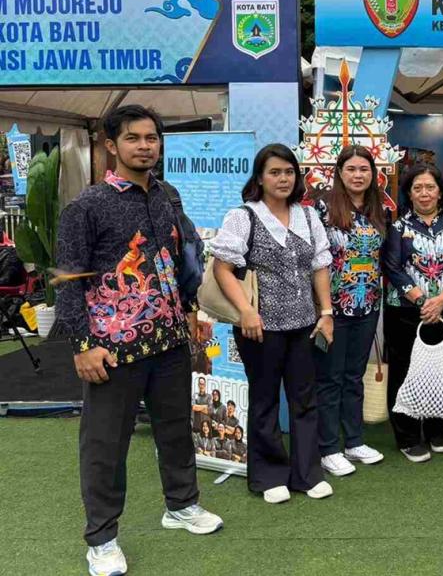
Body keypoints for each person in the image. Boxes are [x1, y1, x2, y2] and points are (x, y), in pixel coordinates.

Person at [54, 104, 223, 576]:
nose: (145, 146)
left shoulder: (168, 195)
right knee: (105, 446)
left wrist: (190, 311)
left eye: (151, 138)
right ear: (112, 145)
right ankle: (102, 538)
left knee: (177, 429)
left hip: (169, 341)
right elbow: (67, 280)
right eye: (133, 138)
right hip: (112, 349)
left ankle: (182, 505)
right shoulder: (86, 206)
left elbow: (184, 257)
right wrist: (82, 345)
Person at [210, 143, 334, 504]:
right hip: (259, 327)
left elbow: (320, 266)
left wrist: (326, 313)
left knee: (304, 399)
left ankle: (307, 474)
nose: (283, 179)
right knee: (264, 399)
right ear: (260, 178)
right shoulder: (243, 217)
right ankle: (268, 476)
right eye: (274, 172)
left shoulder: (308, 216)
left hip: (304, 324)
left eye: (289, 172)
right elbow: (222, 268)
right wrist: (245, 311)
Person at [383, 163, 443, 462]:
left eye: (430, 187)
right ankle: (407, 436)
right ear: (409, 193)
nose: (424, 193)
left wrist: (441, 300)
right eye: (417, 188)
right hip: (405, 312)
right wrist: (423, 301)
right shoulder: (398, 227)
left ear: (440, 192)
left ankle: (437, 428)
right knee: (404, 371)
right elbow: (392, 267)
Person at [313, 145, 388, 475]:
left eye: (364, 169)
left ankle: (354, 442)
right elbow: (313, 259)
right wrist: (323, 310)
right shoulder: (322, 208)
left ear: (373, 174)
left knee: (354, 376)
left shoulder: (378, 210)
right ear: (339, 173)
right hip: (332, 308)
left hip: (368, 304)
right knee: (330, 378)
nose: (358, 175)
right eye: (351, 169)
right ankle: (328, 448)